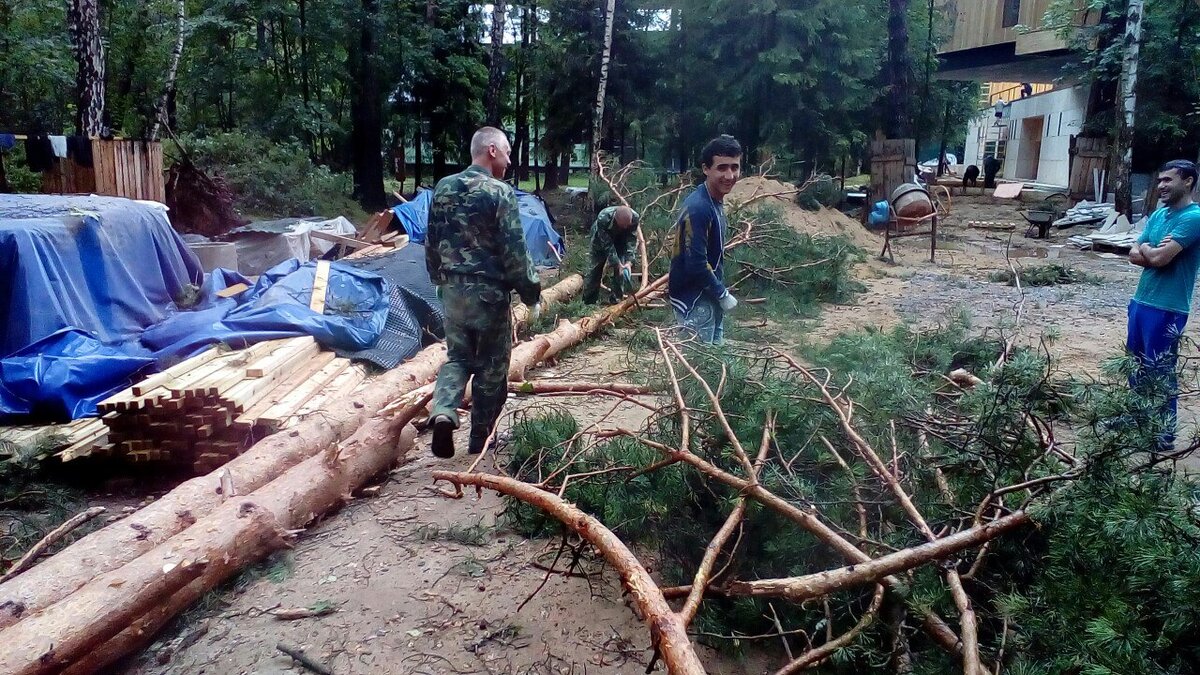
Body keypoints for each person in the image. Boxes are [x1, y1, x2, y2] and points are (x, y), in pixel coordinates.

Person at [425, 127, 542, 458]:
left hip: (452, 292)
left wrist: (439, 279)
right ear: (491, 150)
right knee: (491, 367)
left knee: (458, 358)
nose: (508, 160)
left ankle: (444, 411)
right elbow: (515, 252)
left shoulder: (444, 187)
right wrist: (531, 293)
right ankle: (480, 440)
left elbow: (431, 240)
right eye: (506, 153)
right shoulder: (500, 193)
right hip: (488, 295)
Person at [1127, 159, 1200, 449]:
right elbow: (1134, 253)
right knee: (1135, 366)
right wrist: (1149, 249)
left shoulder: (1193, 217)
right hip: (1140, 301)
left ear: (1188, 181)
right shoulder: (1159, 215)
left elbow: (1156, 258)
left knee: (1160, 370)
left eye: (1168, 180)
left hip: (1168, 306)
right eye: (1159, 181)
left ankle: (1163, 433)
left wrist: (1148, 250)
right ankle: (1137, 418)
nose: (1161, 186)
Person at [668, 135, 741, 344]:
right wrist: (722, 293)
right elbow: (696, 264)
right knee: (697, 368)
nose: (729, 175)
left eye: (735, 167)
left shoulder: (714, 202)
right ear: (706, 169)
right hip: (694, 299)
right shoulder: (699, 208)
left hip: (706, 296)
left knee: (713, 365)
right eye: (722, 168)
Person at [583, 205, 640, 304]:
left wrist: (629, 262)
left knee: (620, 273)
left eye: (628, 225)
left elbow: (631, 240)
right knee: (594, 270)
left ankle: (616, 300)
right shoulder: (603, 218)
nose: (626, 227)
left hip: (621, 240)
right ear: (616, 219)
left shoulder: (634, 218)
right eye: (623, 226)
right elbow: (607, 245)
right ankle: (588, 302)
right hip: (600, 240)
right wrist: (616, 263)